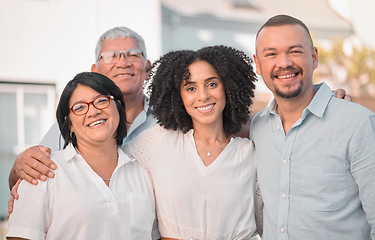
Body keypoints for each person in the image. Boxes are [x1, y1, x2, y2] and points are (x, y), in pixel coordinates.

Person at [250, 14, 375, 239]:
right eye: (271, 54)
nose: (284, 63)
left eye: (295, 51)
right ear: (257, 64)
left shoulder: (357, 123)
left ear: (314, 57)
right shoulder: (257, 128)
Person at [123, 45, 261, 239]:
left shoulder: (249, 154)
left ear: (228, 87)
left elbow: (266, 221)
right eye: (190, 88)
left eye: (212, 84)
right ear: (178, 96)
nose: (203, 96)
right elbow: (113, 169)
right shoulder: (157, 142)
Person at [6, 72, 158, 239]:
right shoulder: (42, 172)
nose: (93, 111)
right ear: (69, 124)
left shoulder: (143, 174)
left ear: (119, 108)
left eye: (101, 101)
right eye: (79, 107)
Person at [8, 26, 156, 189]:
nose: (123, 63)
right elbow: (25, 183)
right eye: (110, 56)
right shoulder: (73, 125)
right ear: (95, 71)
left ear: (148, 68)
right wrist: (19, 169)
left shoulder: (167, 122)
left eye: (133, 54)